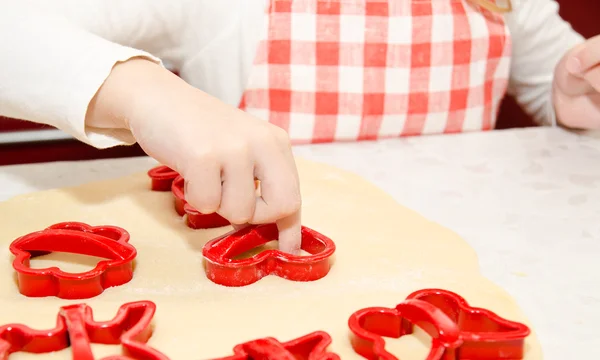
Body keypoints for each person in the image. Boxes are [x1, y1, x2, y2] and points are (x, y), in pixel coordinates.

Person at [0, 0, 598, 254]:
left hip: (482, 244)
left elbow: (555, 84)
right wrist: (137, 87)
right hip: (261, 253)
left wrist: (569, 97)